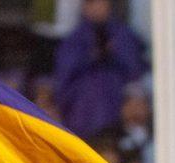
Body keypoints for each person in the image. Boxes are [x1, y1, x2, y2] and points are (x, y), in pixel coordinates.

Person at [53, 0, 146, 139]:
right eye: (92, 3)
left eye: (102, 3)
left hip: (117, 117)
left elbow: (135, 71)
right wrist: (90, 57)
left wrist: (113, 54)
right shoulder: (74, 40)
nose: (97, 8)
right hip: (81, 119)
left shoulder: (122, 35)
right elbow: (64, 78)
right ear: (84, 7)